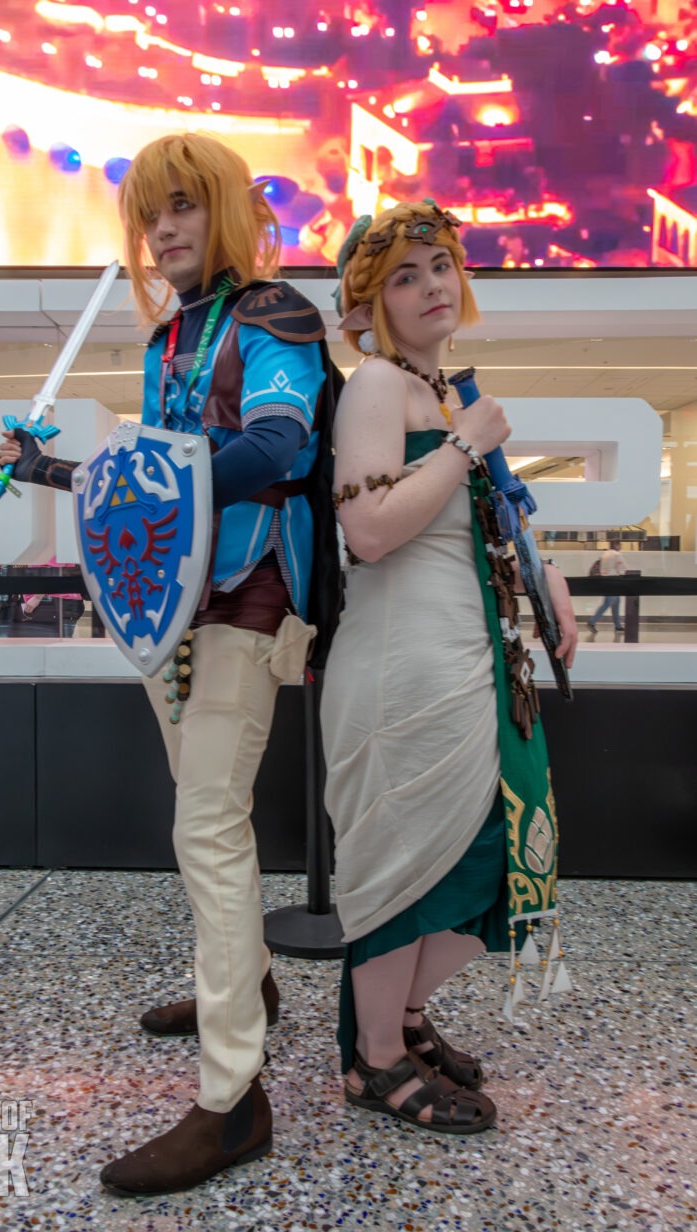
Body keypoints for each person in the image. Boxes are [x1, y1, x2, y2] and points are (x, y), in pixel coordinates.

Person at [0, 132, 340, 1194]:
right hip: (174, 608)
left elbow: (275, 447)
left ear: (225, 209)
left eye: (184, 205)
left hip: (253, 595)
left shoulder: (274, 314)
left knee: (206, 821)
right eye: (153, 213)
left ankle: (232, 1097)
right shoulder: (166, 339)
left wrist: (125, 463)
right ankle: (249, 980)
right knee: (203, 815)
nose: (166, 229)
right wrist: (45, 465)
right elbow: (144, 486)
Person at [319, 202, 578, 1135]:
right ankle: (376, 1058)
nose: (432, 285)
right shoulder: (379, 387)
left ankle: (406, 1021)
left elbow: (481, 517)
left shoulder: (443, 392)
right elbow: (372, 529)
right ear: (368, 308)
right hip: (403, 671)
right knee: (408, 871)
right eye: (404, 275)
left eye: (440, 266)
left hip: (472, 664)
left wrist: (545, 576)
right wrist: (469, 440)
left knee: (496, 860)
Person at [587, 540, 627, 641]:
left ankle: (618, 626)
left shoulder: (604, 554)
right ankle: (592, 622)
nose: (621, 546)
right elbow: (621, 568)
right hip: (614, 582)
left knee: (616, 603)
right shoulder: (617, 554)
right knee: (607, 603)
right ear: (616, 545)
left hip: (605, 580)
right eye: (620, 544)